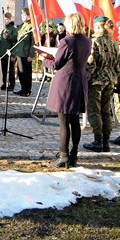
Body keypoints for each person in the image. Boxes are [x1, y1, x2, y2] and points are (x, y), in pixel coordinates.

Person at [41, 13, 92, 168]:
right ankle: (74, 154)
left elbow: (56, 64)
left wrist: (43, 58)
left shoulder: (66, 41)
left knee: (63, 122)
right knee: (75, 120)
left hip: (66, 82)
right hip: (79, 81)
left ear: (70, 25)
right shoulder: (87, 41)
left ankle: (64, 155)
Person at [83, 15, 120, 152]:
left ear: (97, 25)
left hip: (96, 81)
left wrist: (85, 79)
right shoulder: (113, 41)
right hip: (110, 80)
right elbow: (117, 64)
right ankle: (106, 141)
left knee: (94, 111)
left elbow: (91, 63)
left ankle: (98, 140)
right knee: (106, 111)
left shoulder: (95, 41)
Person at [0, 12, 17, 91]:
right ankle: (5, 83)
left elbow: (15, 39)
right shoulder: (3, 30)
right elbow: (1, 42)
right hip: (3, 52)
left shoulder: (13, 29)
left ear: (10, 20)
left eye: (6, 20)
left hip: (9, 52)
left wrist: (7, 37)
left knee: (10, 70)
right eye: (4, 20)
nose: (5, 21)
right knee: (4, 69)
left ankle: (12, 84)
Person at [12, 8, 34, 97]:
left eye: (25, 15)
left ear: (29, 16)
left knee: (26, 73)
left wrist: (31, 54)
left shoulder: (31, 26)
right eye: (22, 15)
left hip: (26, 54)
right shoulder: (21, 26)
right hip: (19, 53)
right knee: (20, 73)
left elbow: (33, 42)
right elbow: (16, 38)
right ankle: (23, 89)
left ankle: (27, 90)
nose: (23, 16)